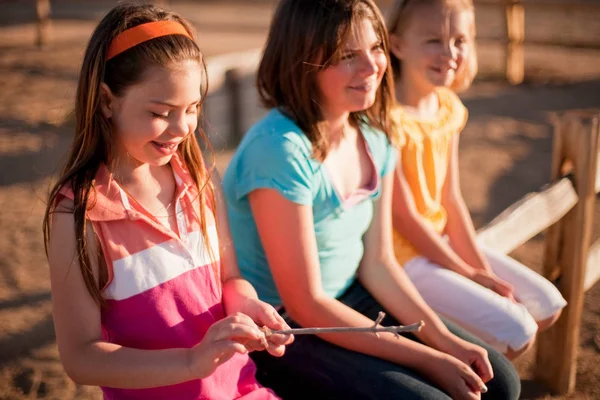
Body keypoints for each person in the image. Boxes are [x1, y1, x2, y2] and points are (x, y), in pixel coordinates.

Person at [222, 1, 520, 399]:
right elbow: (306, 303)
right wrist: (427, 358)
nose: (371, 67)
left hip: (354, 295)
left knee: (501, 382)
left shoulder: (375, 137)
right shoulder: (279, 149)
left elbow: (379, 263)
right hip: (287, 329)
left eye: (376, 47)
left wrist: (445, 341)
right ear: (302, 61)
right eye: (347, 56)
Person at [42, 3, 292, 399]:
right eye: (161, 112)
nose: (181, 128)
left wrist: (248, 304)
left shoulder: (201, 179)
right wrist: (192, 362)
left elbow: (229, 278)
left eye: (192, 108)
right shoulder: (78, 215)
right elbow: (80, 357)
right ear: (107, 101)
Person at [385, 0, 566, 360]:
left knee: (546, 306)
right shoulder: (387, 118)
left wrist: (480, 271)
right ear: (397, 44)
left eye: (460, 40)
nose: (450, 53)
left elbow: (450, 199)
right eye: (434, 40)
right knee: (517, 333)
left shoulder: (447, 106)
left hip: (441, 242)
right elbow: (404, 217)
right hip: (402, 257)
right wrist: (467, 272)